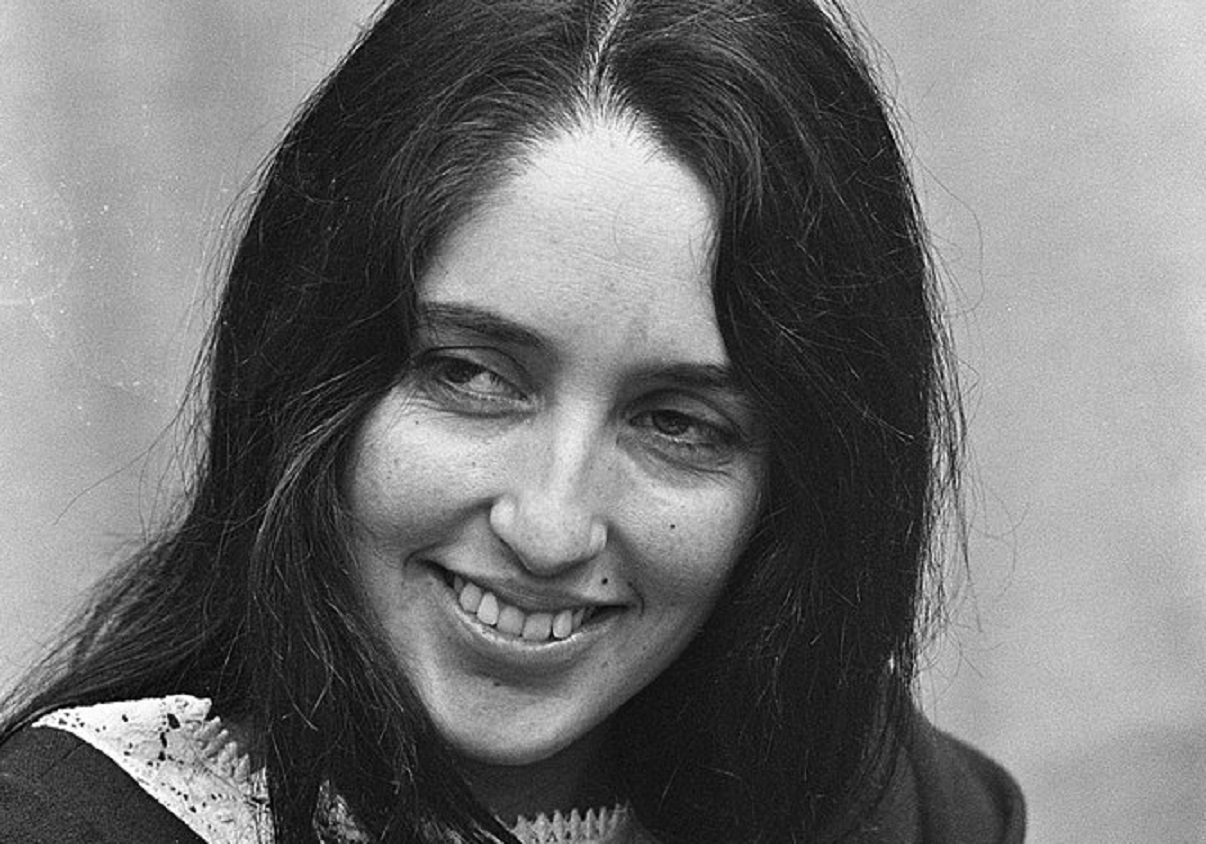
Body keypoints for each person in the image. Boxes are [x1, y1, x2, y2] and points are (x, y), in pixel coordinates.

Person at [0, 0, 1025, 841]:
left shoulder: (893, 805)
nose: (549, 528)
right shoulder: (73, 824)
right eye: (472, 375)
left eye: (679, 424)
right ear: (310, 379)